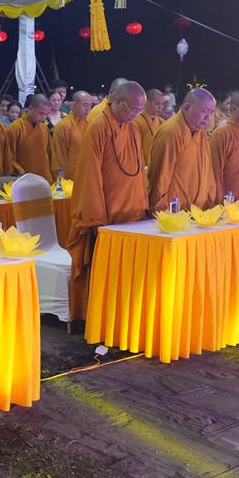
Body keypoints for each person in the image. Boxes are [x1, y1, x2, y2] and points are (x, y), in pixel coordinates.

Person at [66, 81, 149, 321]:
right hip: (107, 215)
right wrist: (95, 218)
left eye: (140, 111)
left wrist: (143, 204)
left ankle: (124, 316)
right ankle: (100, 319)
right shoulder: (98, 127)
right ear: (118, 102)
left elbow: (138, 171)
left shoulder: (132, 128)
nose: (136, 115)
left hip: (132, 214)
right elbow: (89, 175)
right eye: (133, 109)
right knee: (104, 271)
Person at [147, 88, 218, 211]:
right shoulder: (171, 133)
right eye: (204, 111)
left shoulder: (200, 132)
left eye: (211, 113)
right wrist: (161, 212)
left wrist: (209, 203)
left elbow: (208, 171)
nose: (208, 118)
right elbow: (160, 179)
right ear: (186, 107)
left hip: (197, 211)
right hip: (174, 213)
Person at [6, 94, 52, 179]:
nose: (43, 117)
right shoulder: (15, 128)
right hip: (23, 178)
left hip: (44, 177)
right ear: (30, 108)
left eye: (46, 114)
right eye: (41, 113)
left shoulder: (44, 128)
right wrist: (22, 173)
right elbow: (9, 156)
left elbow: (49, 154)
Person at [50, 91, 93, 181]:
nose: (88, 109)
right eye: (84, 105)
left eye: (90, 105)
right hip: (68, 179)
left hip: (85, 175)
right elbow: (58, 158)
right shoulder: (63, 126)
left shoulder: (87, 124)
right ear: (74, 104)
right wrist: (60, 182)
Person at [134, 89, 166, 166]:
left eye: (162, 104)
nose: (160, 107)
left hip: (156, 164)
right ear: (147, 102)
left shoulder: (162, 122)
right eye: (157, 104)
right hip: (140, 165)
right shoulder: (136, 121)